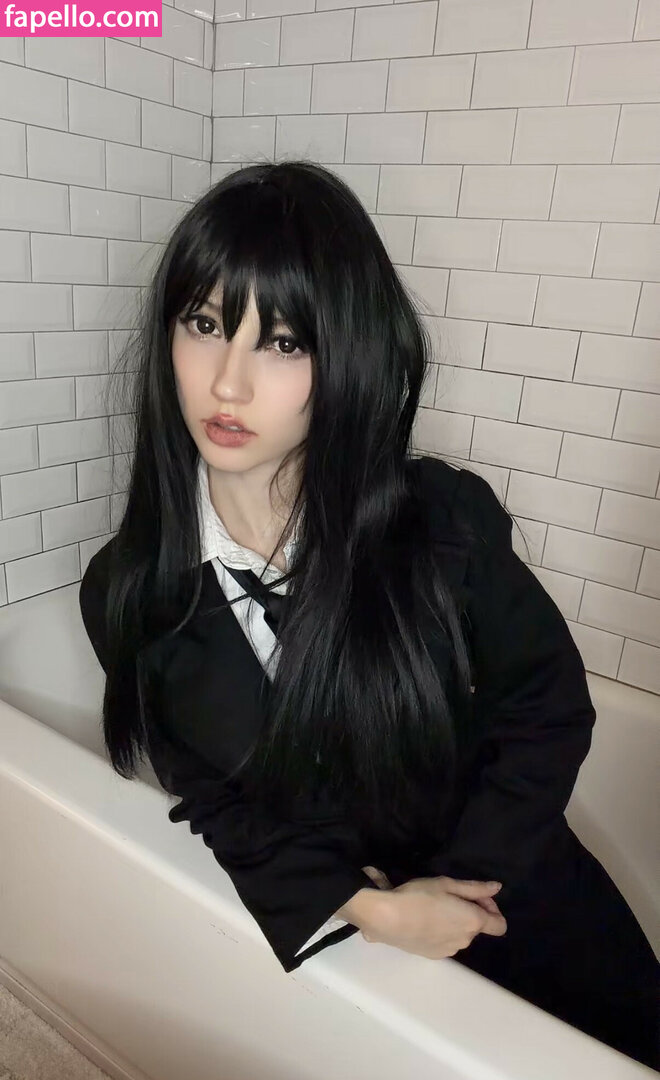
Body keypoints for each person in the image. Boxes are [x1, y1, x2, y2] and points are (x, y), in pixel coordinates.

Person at [78, 159, 659, 1070]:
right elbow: (219, 800)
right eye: (205, 324)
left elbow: (545, 706)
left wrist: (457, 891)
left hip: (521, 889)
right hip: (360, 944)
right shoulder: (127, 590)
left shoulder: (440, 522)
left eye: (282, 343)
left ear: (345, 355)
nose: (227, 384)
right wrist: (368, 909)